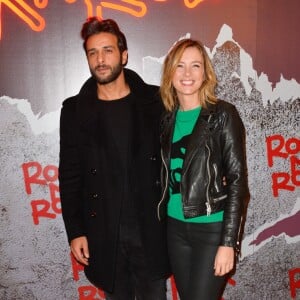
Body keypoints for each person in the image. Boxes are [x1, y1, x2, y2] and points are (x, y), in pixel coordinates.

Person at [59, 17, 170, 300]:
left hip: (150, 230)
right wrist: (76, 231)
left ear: (124, 54)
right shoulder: (74, 111)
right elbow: (70, 176)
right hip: (103, 233)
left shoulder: (156, 102)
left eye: (107, 50)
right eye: (92, 53)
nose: (100, 59)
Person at [158, 38, 249, 300]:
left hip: (211, 230)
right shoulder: (166, 119)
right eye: (180, 66)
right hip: (175, 230)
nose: (187, 74)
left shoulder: (223, 114)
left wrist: (228, 243)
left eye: (195, 66)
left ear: (205, 73)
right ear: (170, 73)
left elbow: (237, 183)